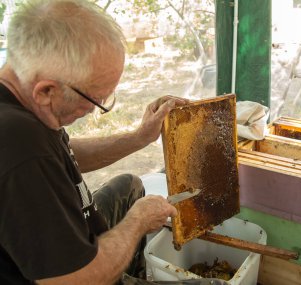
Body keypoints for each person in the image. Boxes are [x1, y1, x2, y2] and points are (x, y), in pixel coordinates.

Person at [0, 1, 229, 284]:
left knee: (130, 185)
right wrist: (137, 223)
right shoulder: (20, 146)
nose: (97, 109)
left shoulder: (24, 105)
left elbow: (61, 154)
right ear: (46, 90)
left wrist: (139, 138)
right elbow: (72, 281)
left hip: (72, 235)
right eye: (97, 100)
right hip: (78, 275)